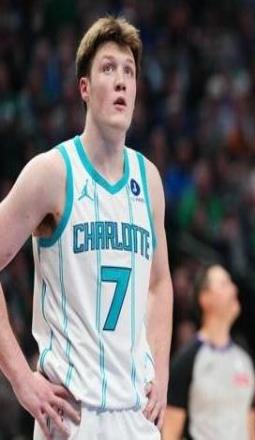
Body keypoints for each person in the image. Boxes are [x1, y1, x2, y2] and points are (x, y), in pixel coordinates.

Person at [0, 16, 173, 439]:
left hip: (136, 415)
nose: (121, 81)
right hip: (73, 417)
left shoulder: (148, 180)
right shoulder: (51, 173)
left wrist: (161, 372)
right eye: (108, 68)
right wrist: (21, 379)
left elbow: (159, 283)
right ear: (84, 88)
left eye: (129, 71)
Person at [162, 264, 255, 440]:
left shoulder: (245, 359)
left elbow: (251, 429)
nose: (234, 289)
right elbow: (170, 434)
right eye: (224, 284)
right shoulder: (187, 360)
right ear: (204, 298)